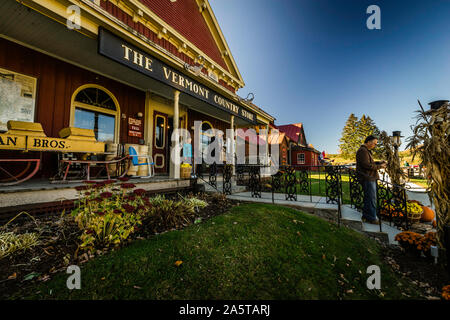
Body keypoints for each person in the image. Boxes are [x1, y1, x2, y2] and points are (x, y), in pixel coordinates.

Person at [356, 135, 387, 224]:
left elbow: (369, 162)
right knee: (371, 198)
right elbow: (367, 165)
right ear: (368, 142)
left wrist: (379, 162)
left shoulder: (365, 151)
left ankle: (366, 215)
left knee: (368, 197)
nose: (375, 145)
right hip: (367, 177)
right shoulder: (362, 151)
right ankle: (372, 218)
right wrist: (380, 166)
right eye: (374, 143)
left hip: (369, 177)